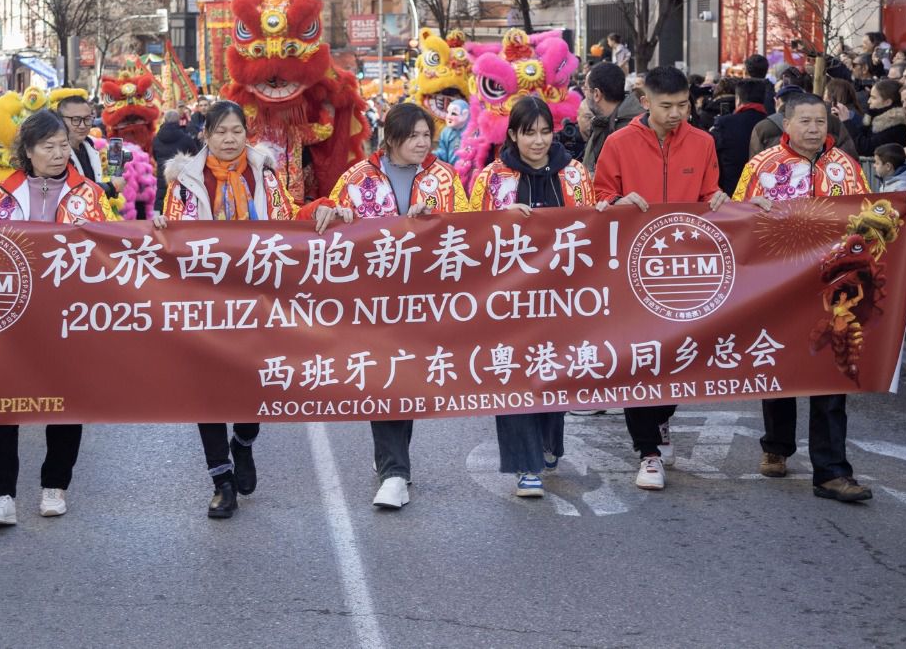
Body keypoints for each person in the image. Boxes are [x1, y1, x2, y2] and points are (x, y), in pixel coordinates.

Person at [733, 93, 906, 503]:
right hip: (777, 290)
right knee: (779, 368)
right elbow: (736, 223)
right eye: (805, 121)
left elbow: (874, 215)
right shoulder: (761, 167)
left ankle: (832, 471)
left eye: (821, 121)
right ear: (786, 124)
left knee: (832, 374)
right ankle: (776, 446)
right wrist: (751, 211)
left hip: (835, 291)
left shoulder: (846, 167)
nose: (815, 129)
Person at [157, 100, 338, 518]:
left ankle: (244, 442)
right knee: (207, 392)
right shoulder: (184, 181)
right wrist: (161, 228)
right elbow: (171, 235)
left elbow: (288, 220)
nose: (228, 138)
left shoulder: (265, 174)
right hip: (204, 302)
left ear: (246, 133)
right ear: (206, 135)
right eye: (220, 131)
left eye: (236, 130)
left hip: (258, 301)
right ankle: (221, 481)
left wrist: (320, 210)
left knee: (254, 385)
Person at [0, 110, 119, 527]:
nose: (57, 154)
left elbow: (114, 243)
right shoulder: (0, 195)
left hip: (69, 315)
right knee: (0, 402)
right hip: (11, 316)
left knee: (65, 399)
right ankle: (0, 495)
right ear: (28, 151)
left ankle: (55, 484)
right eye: (47, 147)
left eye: (62, 145)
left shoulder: (89, 195)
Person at [326, 101, 469, 510]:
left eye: (427, 135)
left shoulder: (444, 177)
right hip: (373, 302)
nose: (423, 143)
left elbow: (468, 232)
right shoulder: (357, 178)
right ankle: (395, 472)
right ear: (390, 138)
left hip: (426, 300)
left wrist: (434, 219)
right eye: (414, 136)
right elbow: (334, 228)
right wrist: (334, 215)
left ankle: (391, 458)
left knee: (408, 378)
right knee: (384, 376)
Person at [594, 66, 730, 491]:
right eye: (667, 106)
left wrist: (720, 199)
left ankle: (662, 416)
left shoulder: (703, 142)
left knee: (679, 353)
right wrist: (617, 200)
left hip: (685, 271)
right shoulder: (617, 143)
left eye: (683, 105)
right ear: (645, 100)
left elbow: (710, 193)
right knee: (638, 356)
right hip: (632, 268)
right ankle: (648, 451)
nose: (676, 114)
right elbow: (596, 198)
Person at [468, 96, 594, 497]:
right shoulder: (491, 179)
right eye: (529, 133)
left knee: (553, 374)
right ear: (513, 135)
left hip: (562, 299)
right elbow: (469, 237)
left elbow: (593, 229)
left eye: (545, 132)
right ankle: (526, 467)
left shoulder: (574, 175)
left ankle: (547, 442)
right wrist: (499, 225)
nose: (538, 141)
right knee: (513, 377)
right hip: (508, 302)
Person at [579, 62, 644, 172]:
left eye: (586, 88)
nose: (584, 94)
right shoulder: (603, 122)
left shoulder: (631, 130)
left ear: (596, 94)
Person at [711, 79, 769, 195]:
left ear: (738, 99)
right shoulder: (771, 122)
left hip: (732, 192)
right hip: (764, 191)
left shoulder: (725, 123)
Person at [841, 79, 906, 156]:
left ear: (887, 102)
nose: (868, 101)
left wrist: (846, 121)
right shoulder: (872, 117)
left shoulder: (896, 125)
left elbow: (865, 148)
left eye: (873, 97)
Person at [151, 109, 198, 209]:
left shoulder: (156, 139)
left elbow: (154, 155)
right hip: (182, 179)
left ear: (164, 120)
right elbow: (195, 156)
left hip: (162, 176)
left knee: (161, 199)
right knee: (179, 203)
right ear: (178, 120)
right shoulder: (186, 139)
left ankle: (157, 219)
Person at [434, 99, 469, 165]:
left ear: (465, 115)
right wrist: (433, 156)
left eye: (453, 113)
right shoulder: (446, 132)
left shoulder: (473, 132)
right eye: (447, 112)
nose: (448, 117)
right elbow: (443, 151)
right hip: (451, 171)